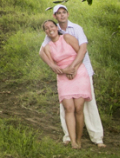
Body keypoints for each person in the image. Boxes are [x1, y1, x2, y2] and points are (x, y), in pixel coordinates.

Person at [39, 4, 106, 147]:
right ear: (55, 16)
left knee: (87, 105)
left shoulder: (75, 29)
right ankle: (69, 136)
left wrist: (73, 68)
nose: (61, 15)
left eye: (64, 12)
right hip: (65, 73)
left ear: (68, 14)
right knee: (67, 107)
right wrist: (54, 66)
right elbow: (42, 52)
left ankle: (97, 137)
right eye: (58, 13)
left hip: (82, 69)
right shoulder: (52, 30)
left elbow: (83, 49)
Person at [41, 19, 90, 149]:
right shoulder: (47, 47)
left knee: (79, 108)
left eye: (51, 26)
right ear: (45, 32)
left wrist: (73, 68)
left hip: (78, 72)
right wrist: (65, 71)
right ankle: (73, 141)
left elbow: (81, 53)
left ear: (56, 28)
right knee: (69, 108)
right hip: (63, 76)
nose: (49, 29)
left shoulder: (67, 37)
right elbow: (54, 68)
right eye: (46, 28)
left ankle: (79, 139)